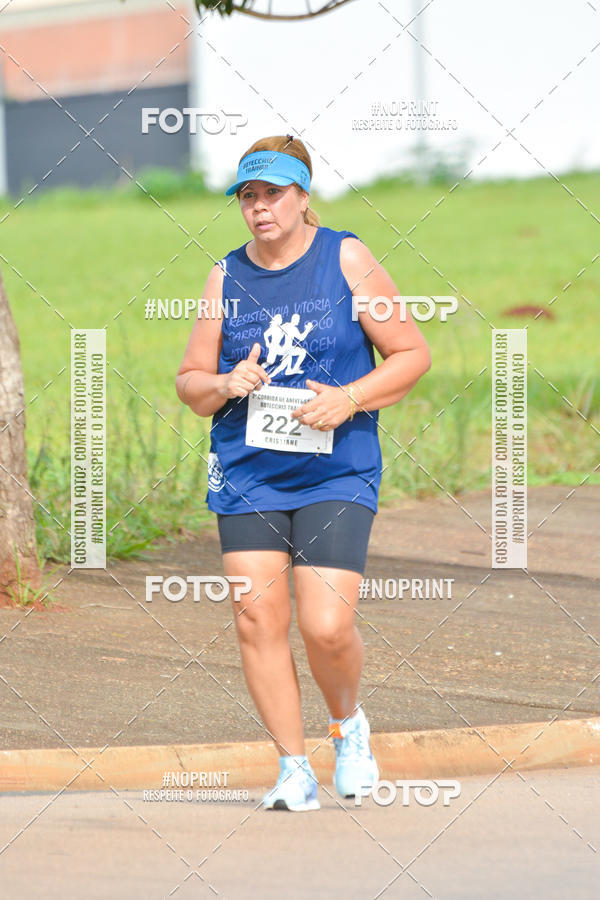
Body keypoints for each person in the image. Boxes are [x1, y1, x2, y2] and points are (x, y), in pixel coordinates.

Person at [176, 134, 431, 811]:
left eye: (273, 194)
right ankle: (293, 767)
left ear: (303, 196)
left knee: (324, 625)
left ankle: (348, 726)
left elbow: (410, 354)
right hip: (248, 472)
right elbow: (190, 382)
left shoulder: (345, 257)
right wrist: (227, 382)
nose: (260, 208)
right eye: (248, 197)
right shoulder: (225, 276)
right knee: (257, 618)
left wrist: (349, 397)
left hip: (334, 469)